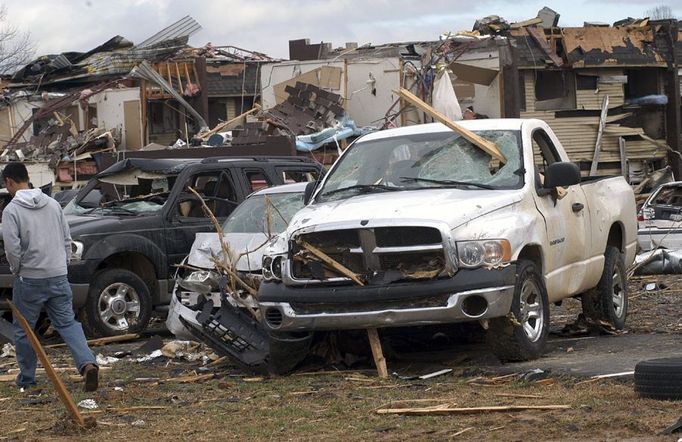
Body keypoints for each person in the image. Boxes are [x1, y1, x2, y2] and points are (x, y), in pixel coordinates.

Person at [1, 162, 98, 392]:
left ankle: (26, 379)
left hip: (30, 278)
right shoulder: (54, 204)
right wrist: (61, 265)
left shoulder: (12, 211)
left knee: (24, 329)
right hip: (58, 275)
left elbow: (12, 249)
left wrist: (18, 271)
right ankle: (87, 364)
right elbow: (67, 239)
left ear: (9, 182)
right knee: (68, 323)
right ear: (28, 178)